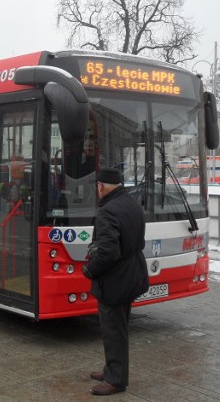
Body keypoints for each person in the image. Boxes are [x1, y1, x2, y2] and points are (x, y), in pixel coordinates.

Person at [82, 167, 149, 396]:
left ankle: (116, 380)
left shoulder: (107, 211)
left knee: (113, 330)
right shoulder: (130, 202)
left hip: (115, 279)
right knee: (118, 328)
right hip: (132, 274)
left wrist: (90, 270)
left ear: (100, 186)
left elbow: (108, 253)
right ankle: (111, 368)